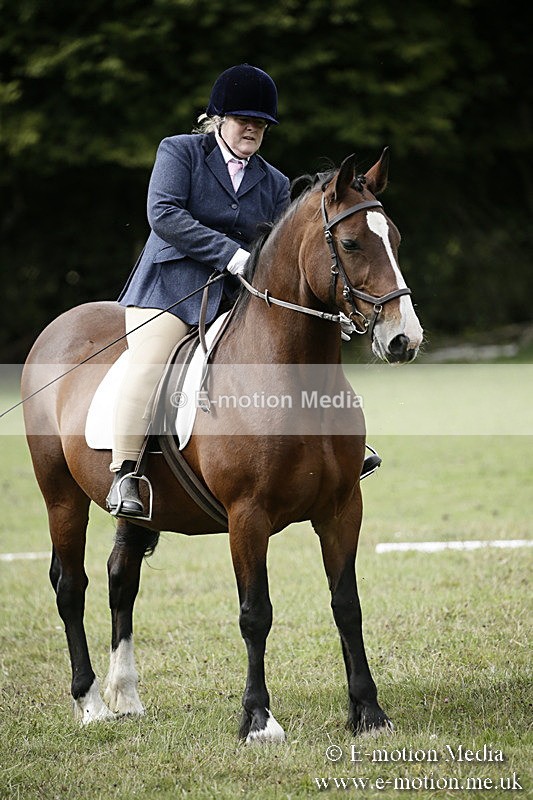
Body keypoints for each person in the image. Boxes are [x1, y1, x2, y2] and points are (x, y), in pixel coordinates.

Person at [106, 64, 291, 518]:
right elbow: (164, 214)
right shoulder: (180, 151)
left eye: (261, 123)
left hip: (236, 297)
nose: (252, 129)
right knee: (151, 364)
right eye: (243, 119)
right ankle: (124, 473)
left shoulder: (276, 182)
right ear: (218, 118)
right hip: (168, 290)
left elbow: (280, 249)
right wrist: (231, 254)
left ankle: (335, 448)